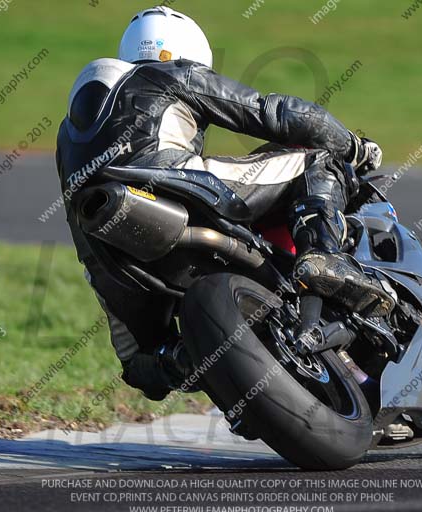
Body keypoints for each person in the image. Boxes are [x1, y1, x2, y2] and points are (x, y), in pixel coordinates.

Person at [55, 6, 392, 401]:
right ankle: (323, 253)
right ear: (186, 53)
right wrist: (353, 146)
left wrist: (154, 358)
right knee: (316, 159)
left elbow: (77, 216)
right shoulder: (170, 74)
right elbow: (277, 113)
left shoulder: (67, 136)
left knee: (143, 360)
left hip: (109, 253)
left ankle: (190, 362)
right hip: (172, 185)